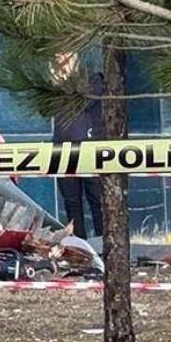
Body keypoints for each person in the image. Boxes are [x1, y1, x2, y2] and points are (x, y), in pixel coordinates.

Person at [52, 51, 105, 239]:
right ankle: (80, 244)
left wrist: (67, 82)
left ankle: (103, 241)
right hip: (62, 147)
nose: (60, 61)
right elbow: (45, 108)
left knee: (97, 199)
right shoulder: (53, 84)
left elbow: (83, 103)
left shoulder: (94, 79)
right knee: (71, 201)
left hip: (88, 147)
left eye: (64, 56)